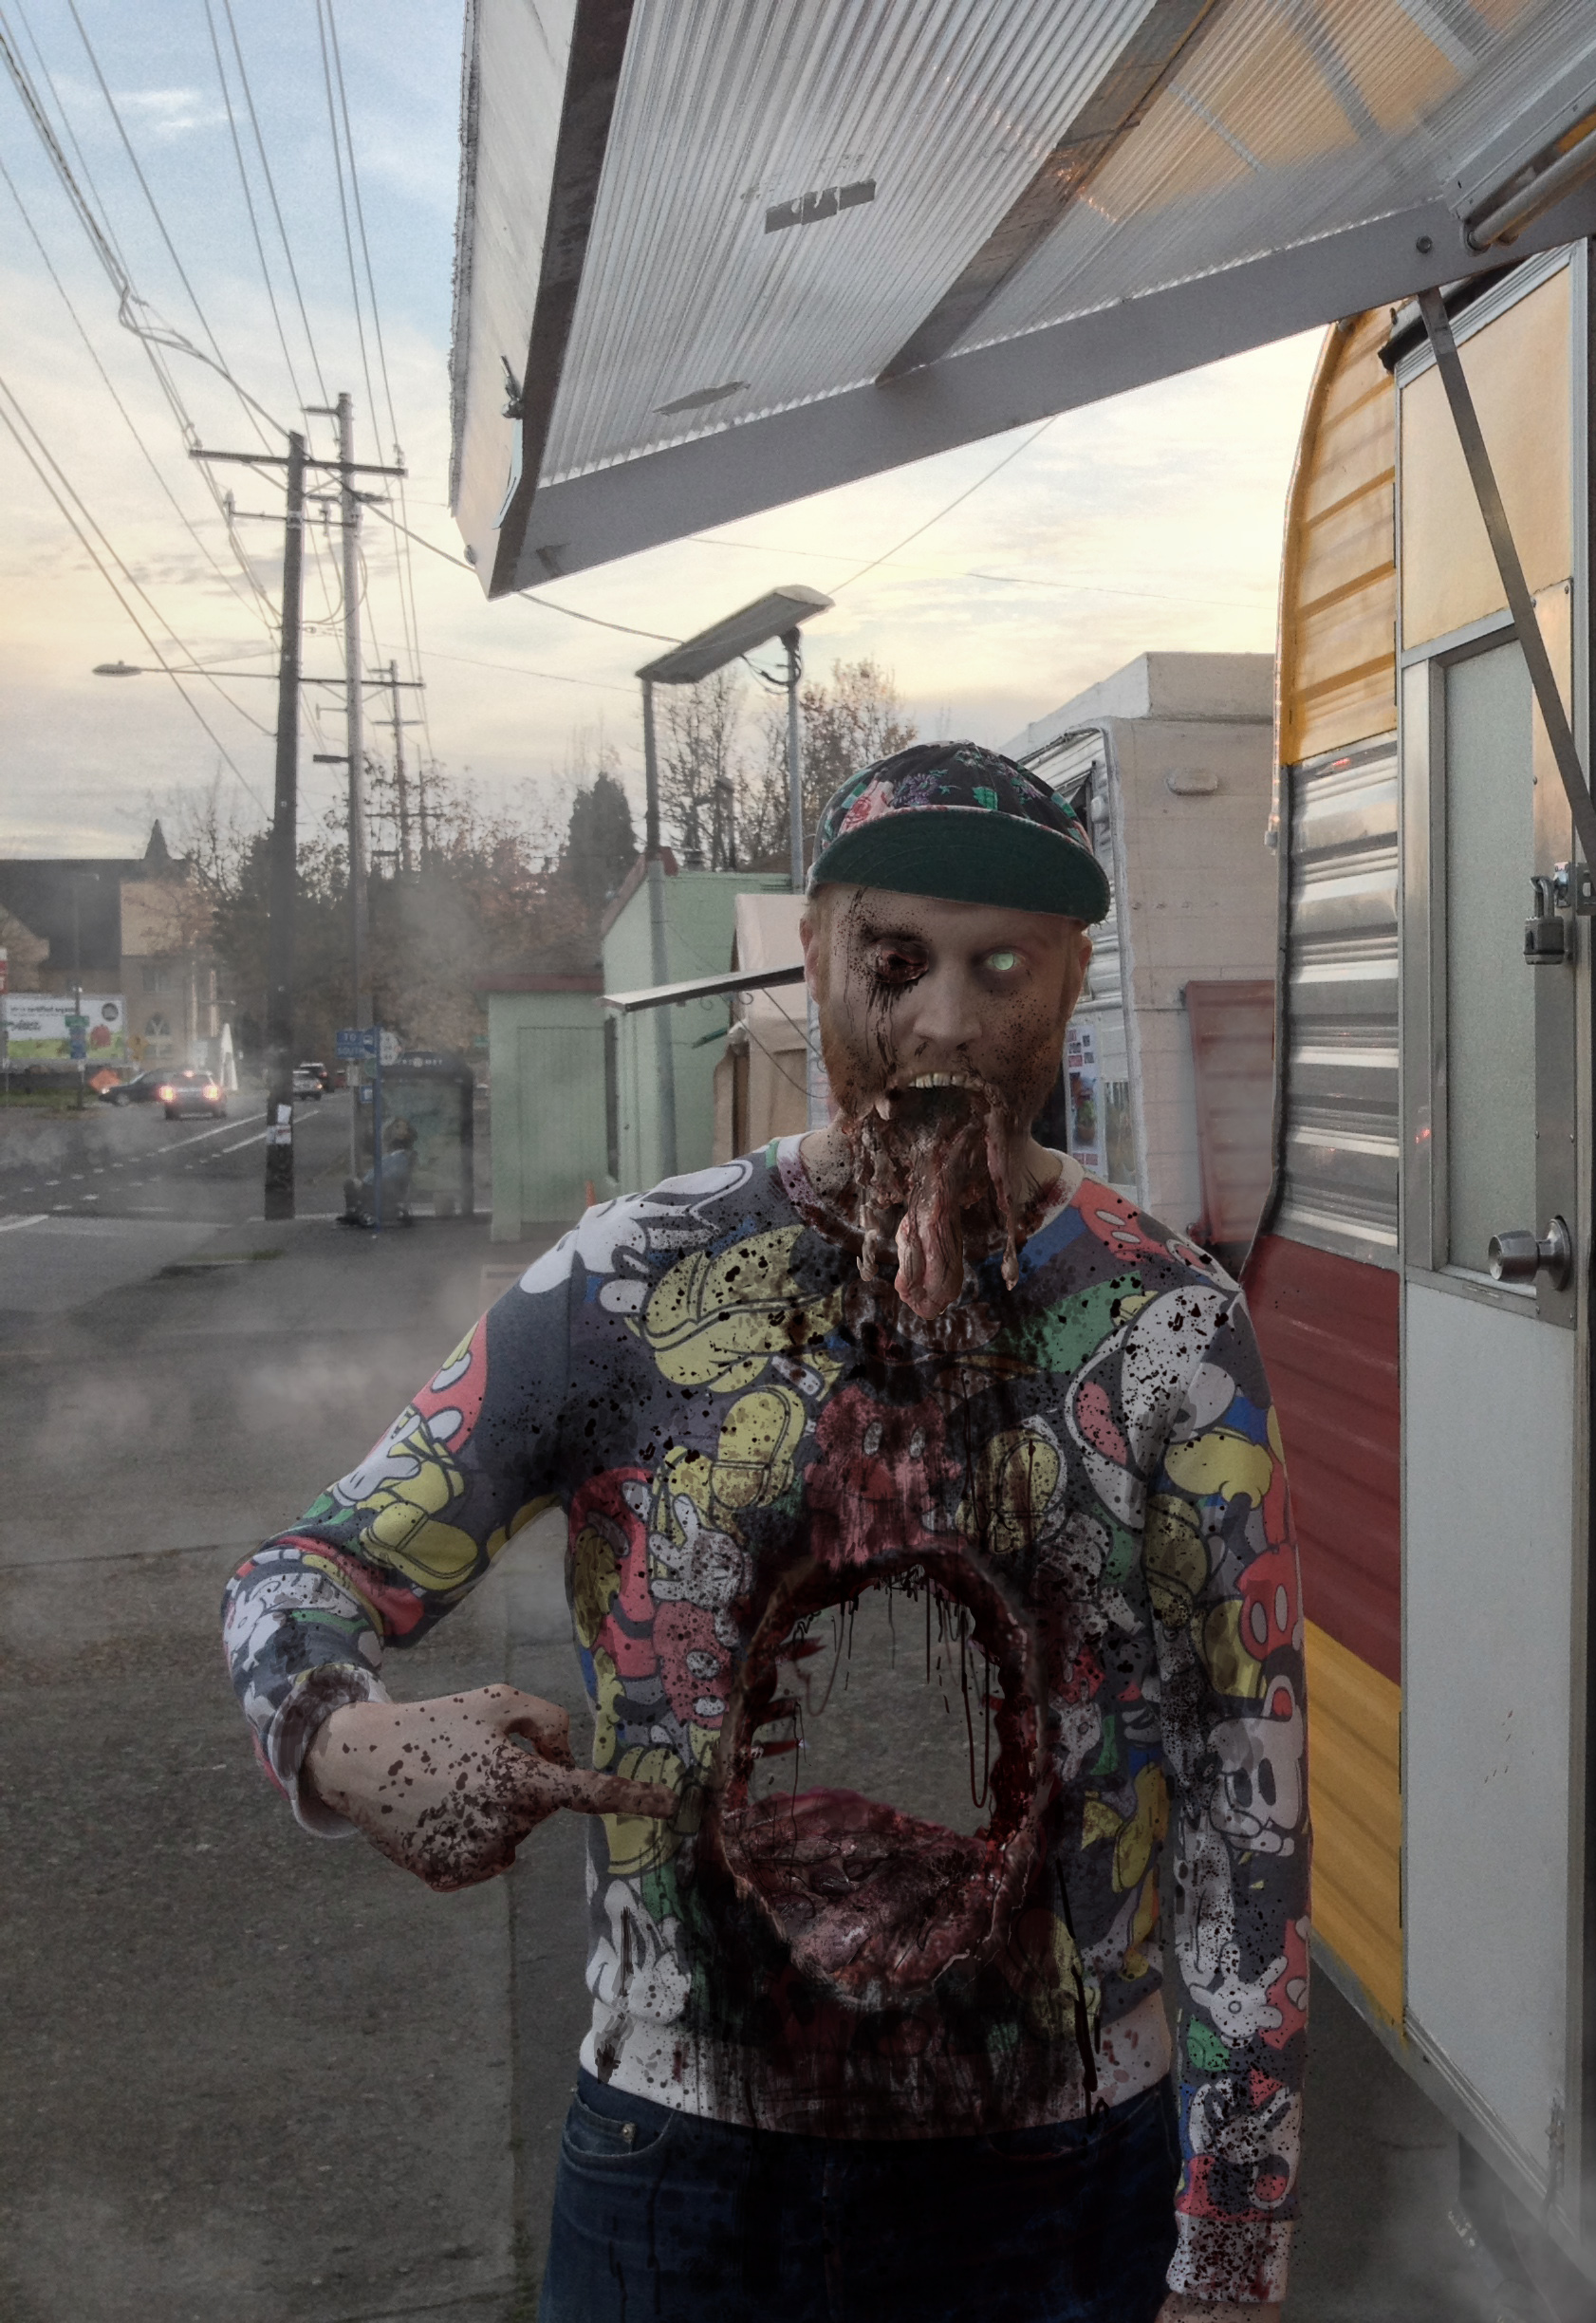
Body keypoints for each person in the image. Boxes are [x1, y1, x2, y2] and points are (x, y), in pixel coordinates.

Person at [221, 743, 1305, 2323]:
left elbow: (1239, 1789)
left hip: (1064, 2184)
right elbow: (297, 1576)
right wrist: (344, 1742)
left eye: (1000, 966)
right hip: (686, 2176)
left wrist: (1231, 2234)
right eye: (895, 961)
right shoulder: (634, 1281)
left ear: (1073, 980)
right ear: (812, 958)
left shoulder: (1165, 1325)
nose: (945, 1020)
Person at [340, 1112, 418, 1226]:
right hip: (376, 1183)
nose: (397, 1132)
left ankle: (357, 1212)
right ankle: (354, 1211)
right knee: (351, 1183)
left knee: (350, 1184)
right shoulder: (393, 1156)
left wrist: (369, 1181)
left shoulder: (403, 1157)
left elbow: (395, 1173)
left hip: (379, 1186)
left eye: (400, 1128)